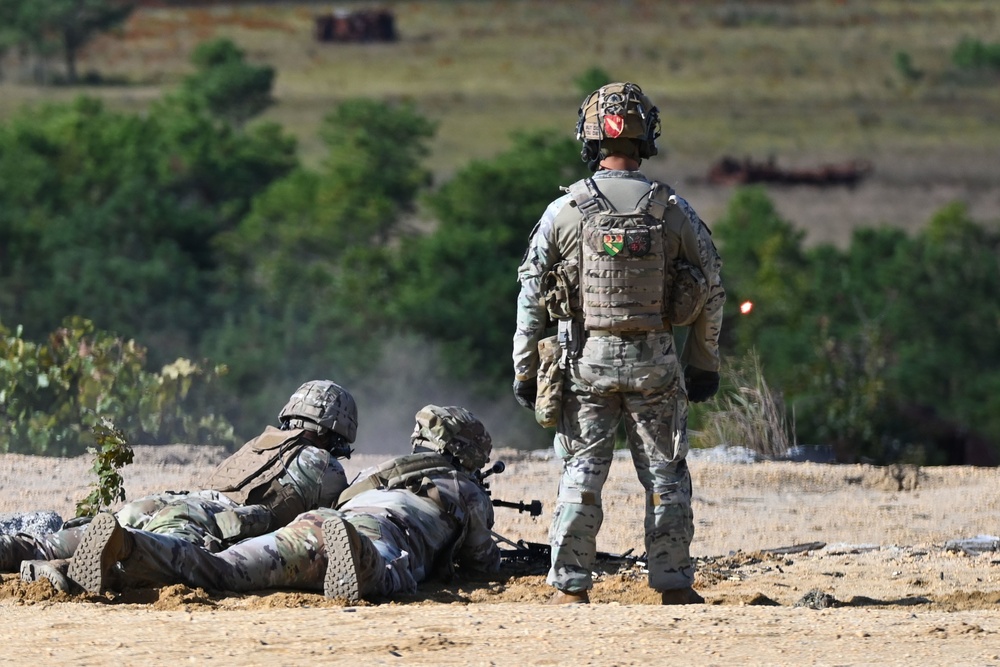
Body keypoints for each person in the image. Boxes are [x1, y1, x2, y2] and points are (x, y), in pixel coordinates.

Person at [511, 82, 725, 605]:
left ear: (588, 137)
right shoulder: (671, 209)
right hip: (655, 363)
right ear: (646, 136)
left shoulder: (565, 210)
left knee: (581, 474)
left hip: (585, 363)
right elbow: (712, 285)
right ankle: (673, 584)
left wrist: (524, 369)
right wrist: (703, 364)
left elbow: (531, 292)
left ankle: (569, 587)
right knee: (666, 475)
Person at [66, 405, 501, 603]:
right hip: (377, 536)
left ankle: (130, 545)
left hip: (318, 523)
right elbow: (481, 563)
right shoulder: (465, 491)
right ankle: (358, 555)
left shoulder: (385, 473)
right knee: (391, 575)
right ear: (468, 458)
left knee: (224, 570)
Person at [2, 379, 358, 589]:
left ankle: (18, 550)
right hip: (207, 520)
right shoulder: (325, 467)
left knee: (50, 542)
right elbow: (328, 525)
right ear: (337, 431)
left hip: (164, 502)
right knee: (149, 562)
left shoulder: (259, 442)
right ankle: (62, 572)